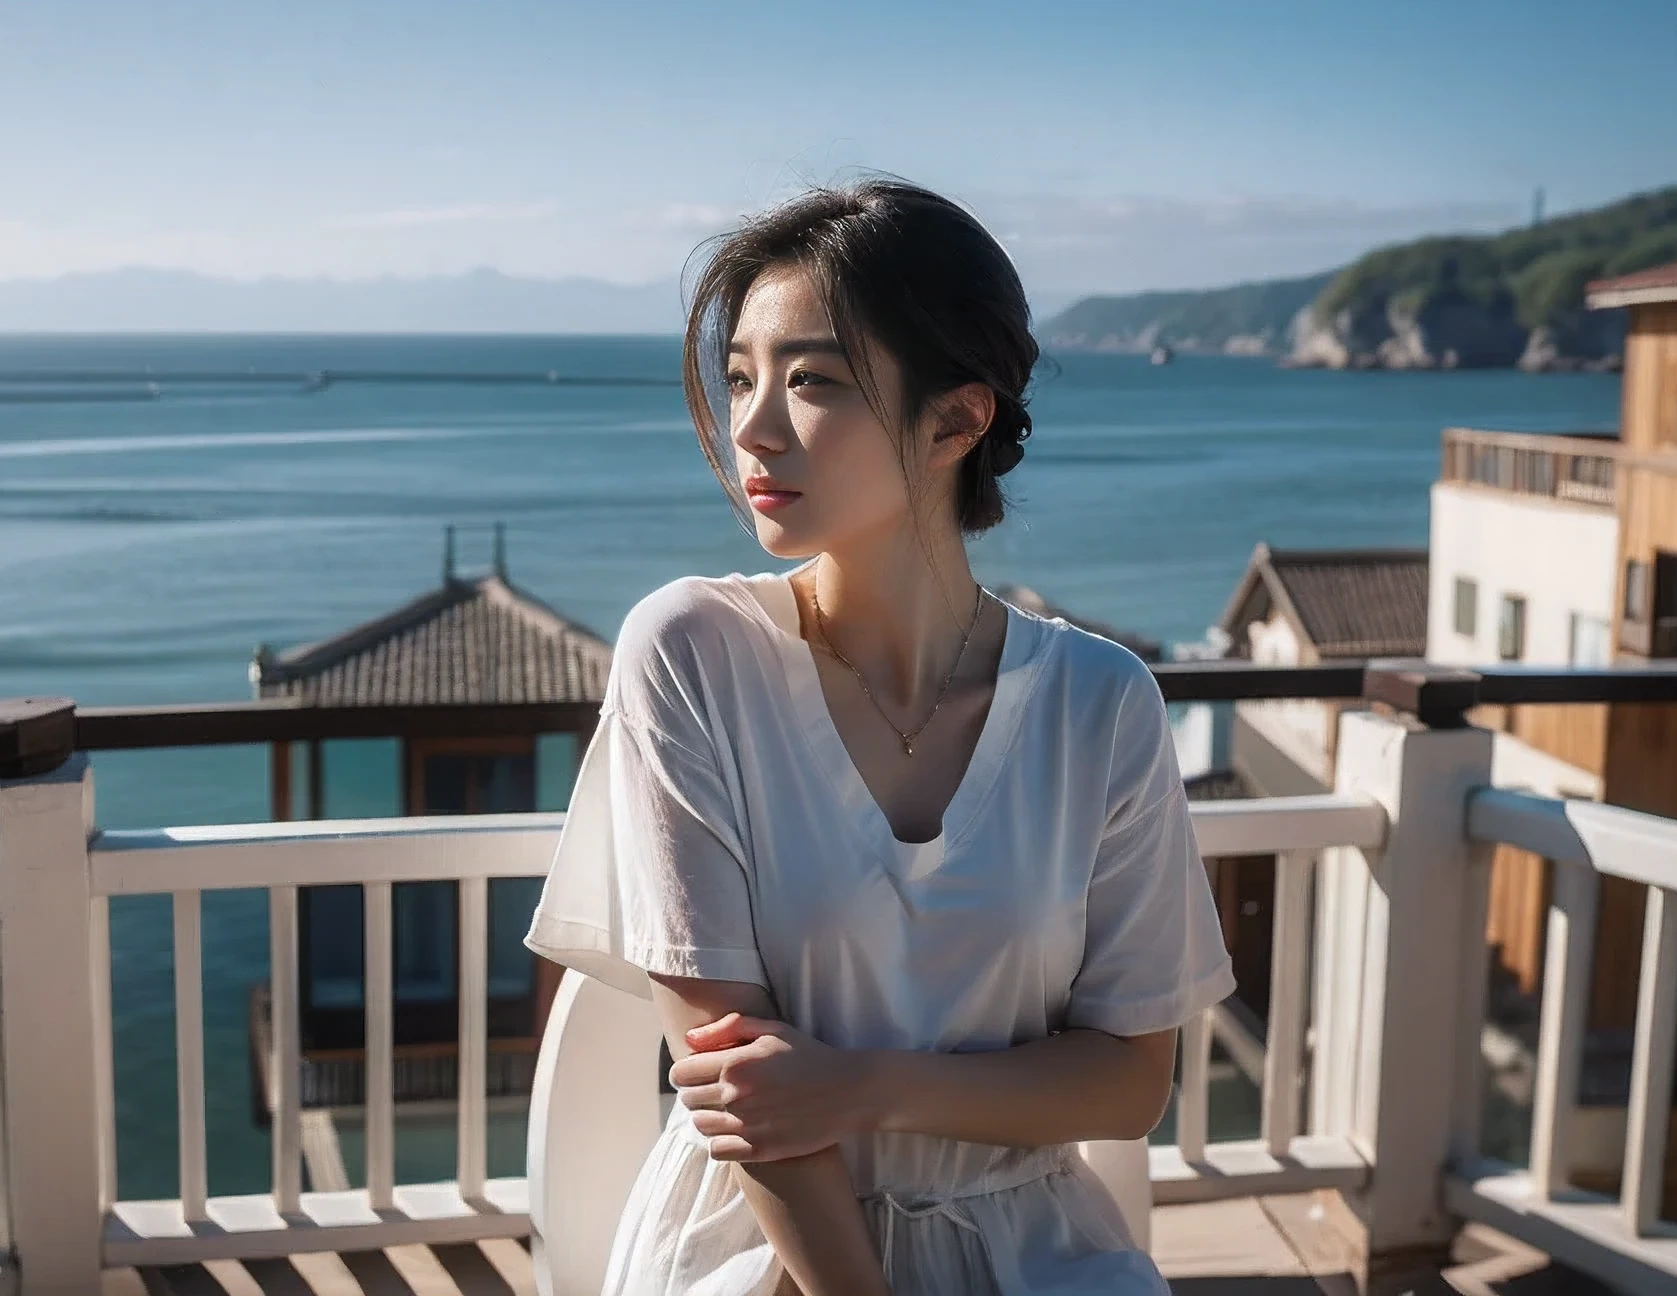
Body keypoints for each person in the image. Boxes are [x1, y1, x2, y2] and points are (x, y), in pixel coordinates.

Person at [524, 177, 1234, 1296]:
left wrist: (862, 1087)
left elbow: (1127, 1081)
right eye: (742, 377)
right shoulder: (691, 653)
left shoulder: (1100, 704)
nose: (752, 429)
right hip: (763, 1253)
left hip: (1033, 1251)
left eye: (811, 382)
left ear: (958, 417)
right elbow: (736, 1084)